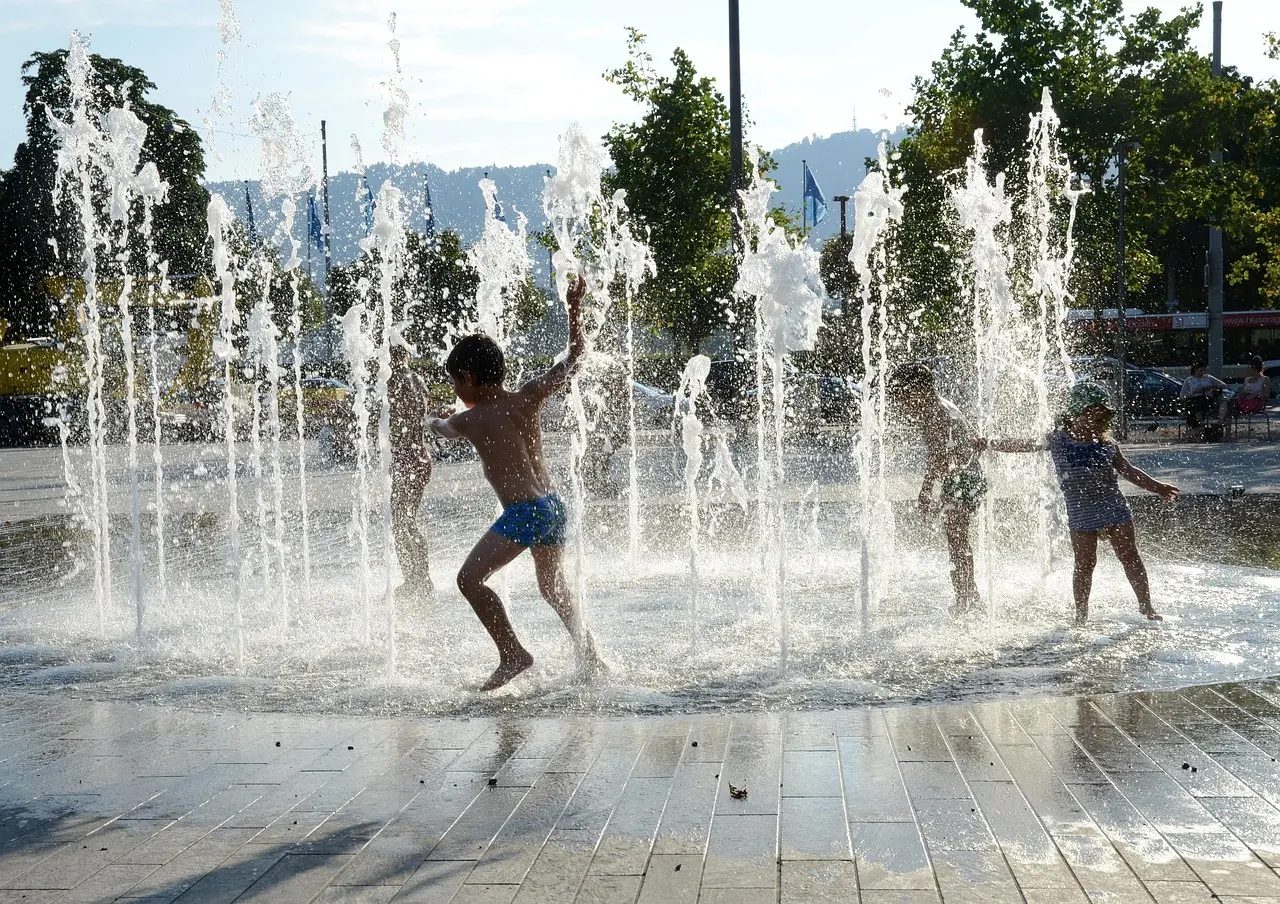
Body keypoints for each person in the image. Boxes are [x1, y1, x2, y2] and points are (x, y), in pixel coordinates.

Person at [426, 274, 602, 691]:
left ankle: (512, 654)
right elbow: (577, 358)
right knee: (554, 587)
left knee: (468, 580)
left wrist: (427, 418)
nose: (455, 389)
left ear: (467, 377)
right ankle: (590, 655)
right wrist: (573, 309)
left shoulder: (470, 419)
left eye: (456, 381)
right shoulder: (528, 396)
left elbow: (442, 428)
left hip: (525, 512)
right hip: (553, 506)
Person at [979, 382, 1178, 625]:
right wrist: (989, 443)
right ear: (1075, 413)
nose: (1095, 421)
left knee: (1130, 557)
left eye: (1101, 416)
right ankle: (1081, 615)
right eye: (1090, 414)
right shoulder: (1058, 441)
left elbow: (1129, 471)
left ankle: (1146, 607)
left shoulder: (1106, 444)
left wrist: (1158, 488)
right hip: (1081, 513)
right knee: (1085, 565)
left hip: (1113, 506)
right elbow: (1024, 444)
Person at [887, 364, 986, 614]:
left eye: (903, 398)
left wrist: (925, 492)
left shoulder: (934, 413)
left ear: (918, 390)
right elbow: (970, 437)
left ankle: (965, 597)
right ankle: (968, 593)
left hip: (960, 481)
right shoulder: (944, 405)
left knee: (956, 542)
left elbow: (938, 457)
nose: (902, 406)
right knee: (959, 540)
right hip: (968, 476)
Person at [388, 344, 434, 597]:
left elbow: (391, 420)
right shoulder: (418, 380)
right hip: (420, 456)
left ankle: (416, 580)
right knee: (407, 520)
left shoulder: (394, 382)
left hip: (406, 459)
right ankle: (420, 577)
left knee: (401, 522)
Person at [1179, 362, 1229, 439]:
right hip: (1195, 399)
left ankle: (1199, 424)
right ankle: (1196, 425)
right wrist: (1193, 393)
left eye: (1204, 370)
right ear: (1195, 369)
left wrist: (1212, 386)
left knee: (1201, 401)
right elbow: (1182, 395)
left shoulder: (1208, 377)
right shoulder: (1189, 380)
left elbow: (1224, 385)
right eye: (1200, 370)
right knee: (1192, 404)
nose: (1202, 372)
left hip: (1207, 399)